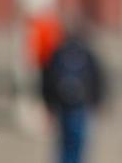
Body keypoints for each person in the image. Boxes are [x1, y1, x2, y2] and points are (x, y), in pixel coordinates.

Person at [40, 20, 107, 163]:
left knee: (64, 142)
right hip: (80, 106)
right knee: (78, 142)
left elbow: (47, 81)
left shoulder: (57, 54)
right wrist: (98, 102)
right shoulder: (87, 54)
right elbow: (98, 79)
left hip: (63, 106)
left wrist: (48, 105)